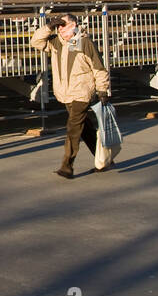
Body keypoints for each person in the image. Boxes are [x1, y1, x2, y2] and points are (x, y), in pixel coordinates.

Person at [31, 12, 112, 178]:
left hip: (82, 92)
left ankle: (67, 165)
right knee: (85, 128)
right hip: (65, 93)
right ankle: (104, 159)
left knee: (73, 128)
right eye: (58, 26)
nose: (60, 29)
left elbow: (99, 68)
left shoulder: (85, 43)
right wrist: (48, 27)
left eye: (64, 25)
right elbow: (35, 42)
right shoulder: (55, 43)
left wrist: (102, 90)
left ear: (74, 25)